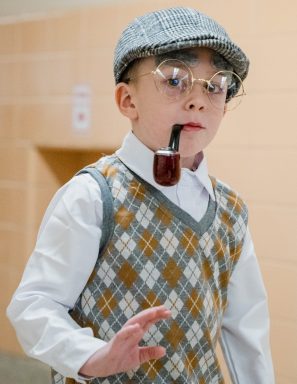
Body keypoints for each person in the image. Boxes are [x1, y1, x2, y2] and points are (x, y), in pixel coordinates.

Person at [7, 6, 275, 384]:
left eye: (215, 85)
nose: (198, 99)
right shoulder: (93, 196)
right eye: (175, 79)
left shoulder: (230, 209)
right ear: (127, 101)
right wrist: (92, 356)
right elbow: (34, 306)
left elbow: (247, 332)